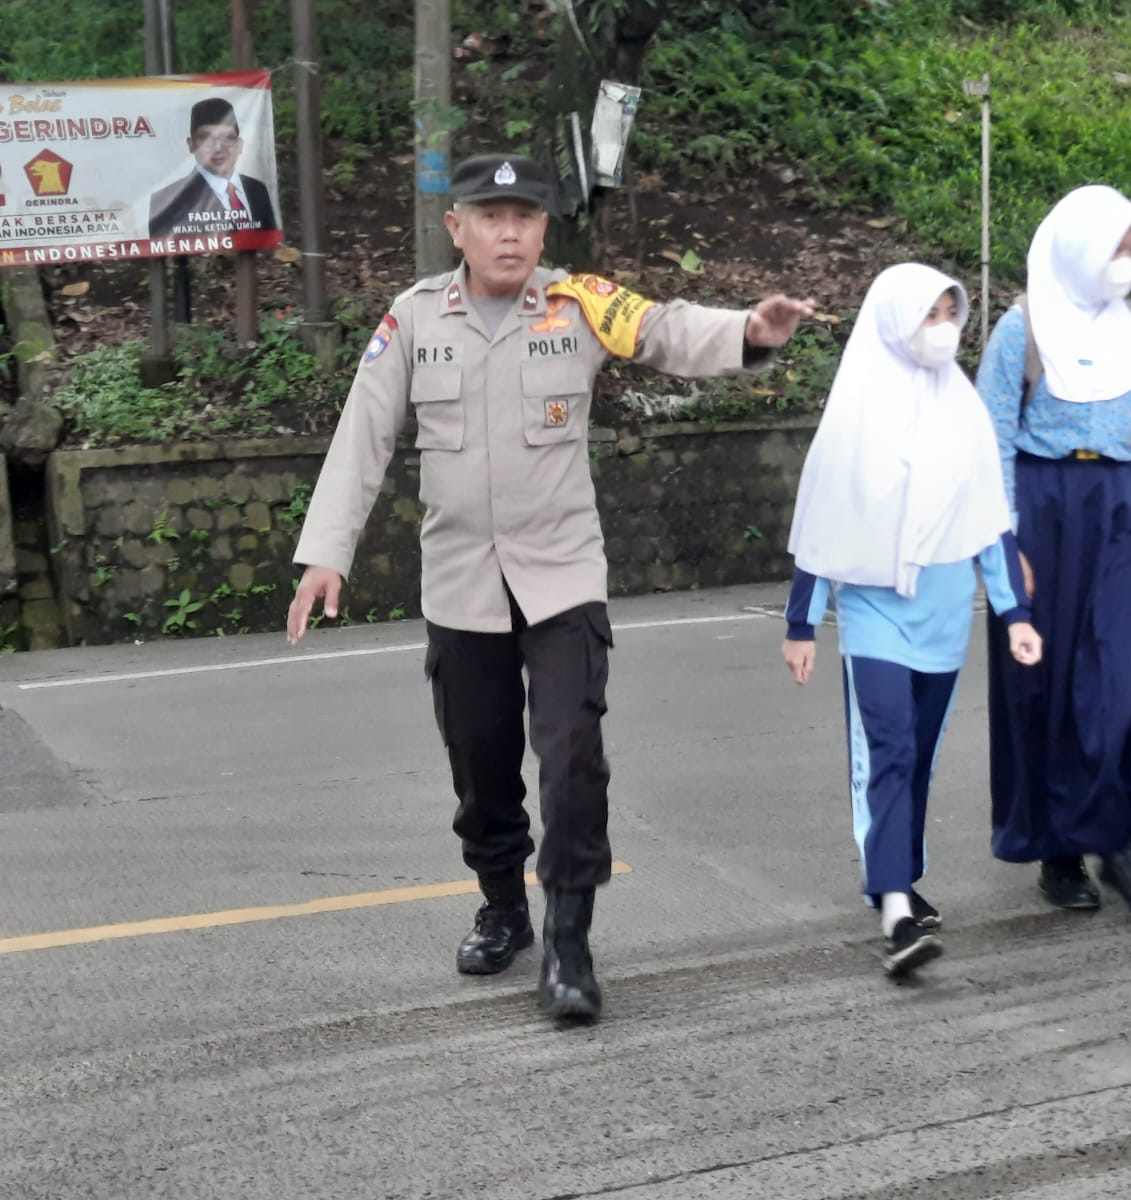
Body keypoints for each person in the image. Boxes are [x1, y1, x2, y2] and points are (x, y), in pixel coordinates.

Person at [286, 154, 813, 1021]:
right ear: (456, 228)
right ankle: (503, 906)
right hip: (462, 584)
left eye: (525, 218)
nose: (510, 234)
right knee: (481, 764)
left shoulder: (580, 303)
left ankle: (570, 942)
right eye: (491, 218)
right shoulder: (415, 318)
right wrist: (326, 554)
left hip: (562, 576)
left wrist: (749, 330)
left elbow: (664, 328)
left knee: (572, 757)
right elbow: (363, 433)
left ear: (543, 230)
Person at [781, 264, 1043, 977]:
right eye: (929, 315)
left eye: (950, 314)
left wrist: (1015, 614)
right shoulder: (855, 411)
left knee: (917, 756)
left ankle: (899, 875)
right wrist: (802, 624)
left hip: (946, 616)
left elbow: (990, 520)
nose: (942, 329)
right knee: (889, 749)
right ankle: (895, 908)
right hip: (873, 612)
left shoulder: (964, 409)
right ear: (896, 319)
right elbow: (821, 522)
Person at [977, 185, 1131, 928]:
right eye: (1115, 246)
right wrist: (1004, 543)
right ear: (1078, 248)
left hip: (1123, 509)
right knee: (1045, 683)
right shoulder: (1021, 329)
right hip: (1041, 509)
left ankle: (1121, 838)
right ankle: (1058, 850)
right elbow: (990, 439)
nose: (1126, 260)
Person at [148, 97, 278, 239]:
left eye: (228, 138)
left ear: (240, 145)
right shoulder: (166, 201)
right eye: (206, 139)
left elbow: (270, 242)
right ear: (191, 145)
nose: (218, 148)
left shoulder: (257, 189)